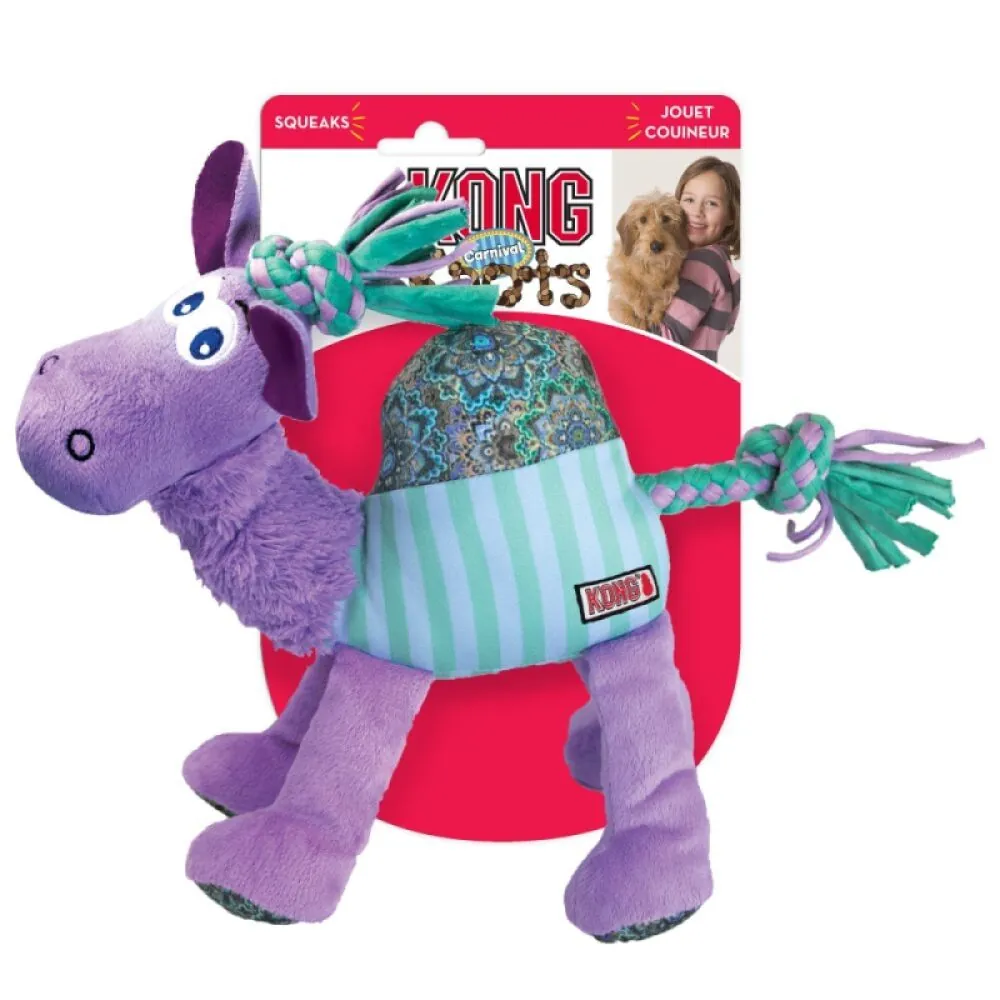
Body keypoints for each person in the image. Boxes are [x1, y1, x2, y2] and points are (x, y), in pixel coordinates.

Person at [660, 157, 741, 364]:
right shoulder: (725, 266)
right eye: (689, 200)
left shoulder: (704, 263)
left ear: (731, 214)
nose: (697, 213)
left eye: (711, 203)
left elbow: (663, 340)